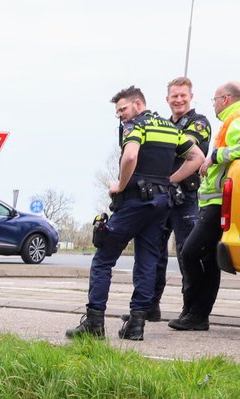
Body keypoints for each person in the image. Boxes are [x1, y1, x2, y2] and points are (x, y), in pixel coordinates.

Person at [68, 86, 203, 341]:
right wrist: (168, 181)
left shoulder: (136, 126)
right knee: (147, 260)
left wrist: (119, 185)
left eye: (123, 109)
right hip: (161, 203)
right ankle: (136, 324)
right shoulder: (169, 128)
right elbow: (197, 157)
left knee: (103, 257)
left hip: (134, 202)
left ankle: (94, 322)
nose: (120, 115)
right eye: (117, 111)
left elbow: (130, 156)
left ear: (138, 104)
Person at [170, 81, 240, 331]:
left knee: (189, 254)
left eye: (215, 100)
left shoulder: (238, 117)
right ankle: (195, 314)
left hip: (218, 202)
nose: (214, 105)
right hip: (212, 200)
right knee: (208, 260)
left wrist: (214, 156)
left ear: (226, 99)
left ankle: (196, 313)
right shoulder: (232, 119)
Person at [147, 77, 213, 322]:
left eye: (183, 95)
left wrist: (155, 137)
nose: (179, 100)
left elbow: (185, 146)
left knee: (187, 254)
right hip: (162, 196)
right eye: (174, 96)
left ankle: (191, 311)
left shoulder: (200, 123)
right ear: (167, 99)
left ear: (191, 96)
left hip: (185, 197)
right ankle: (149, 305)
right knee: (154, 252)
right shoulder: (164, 123)